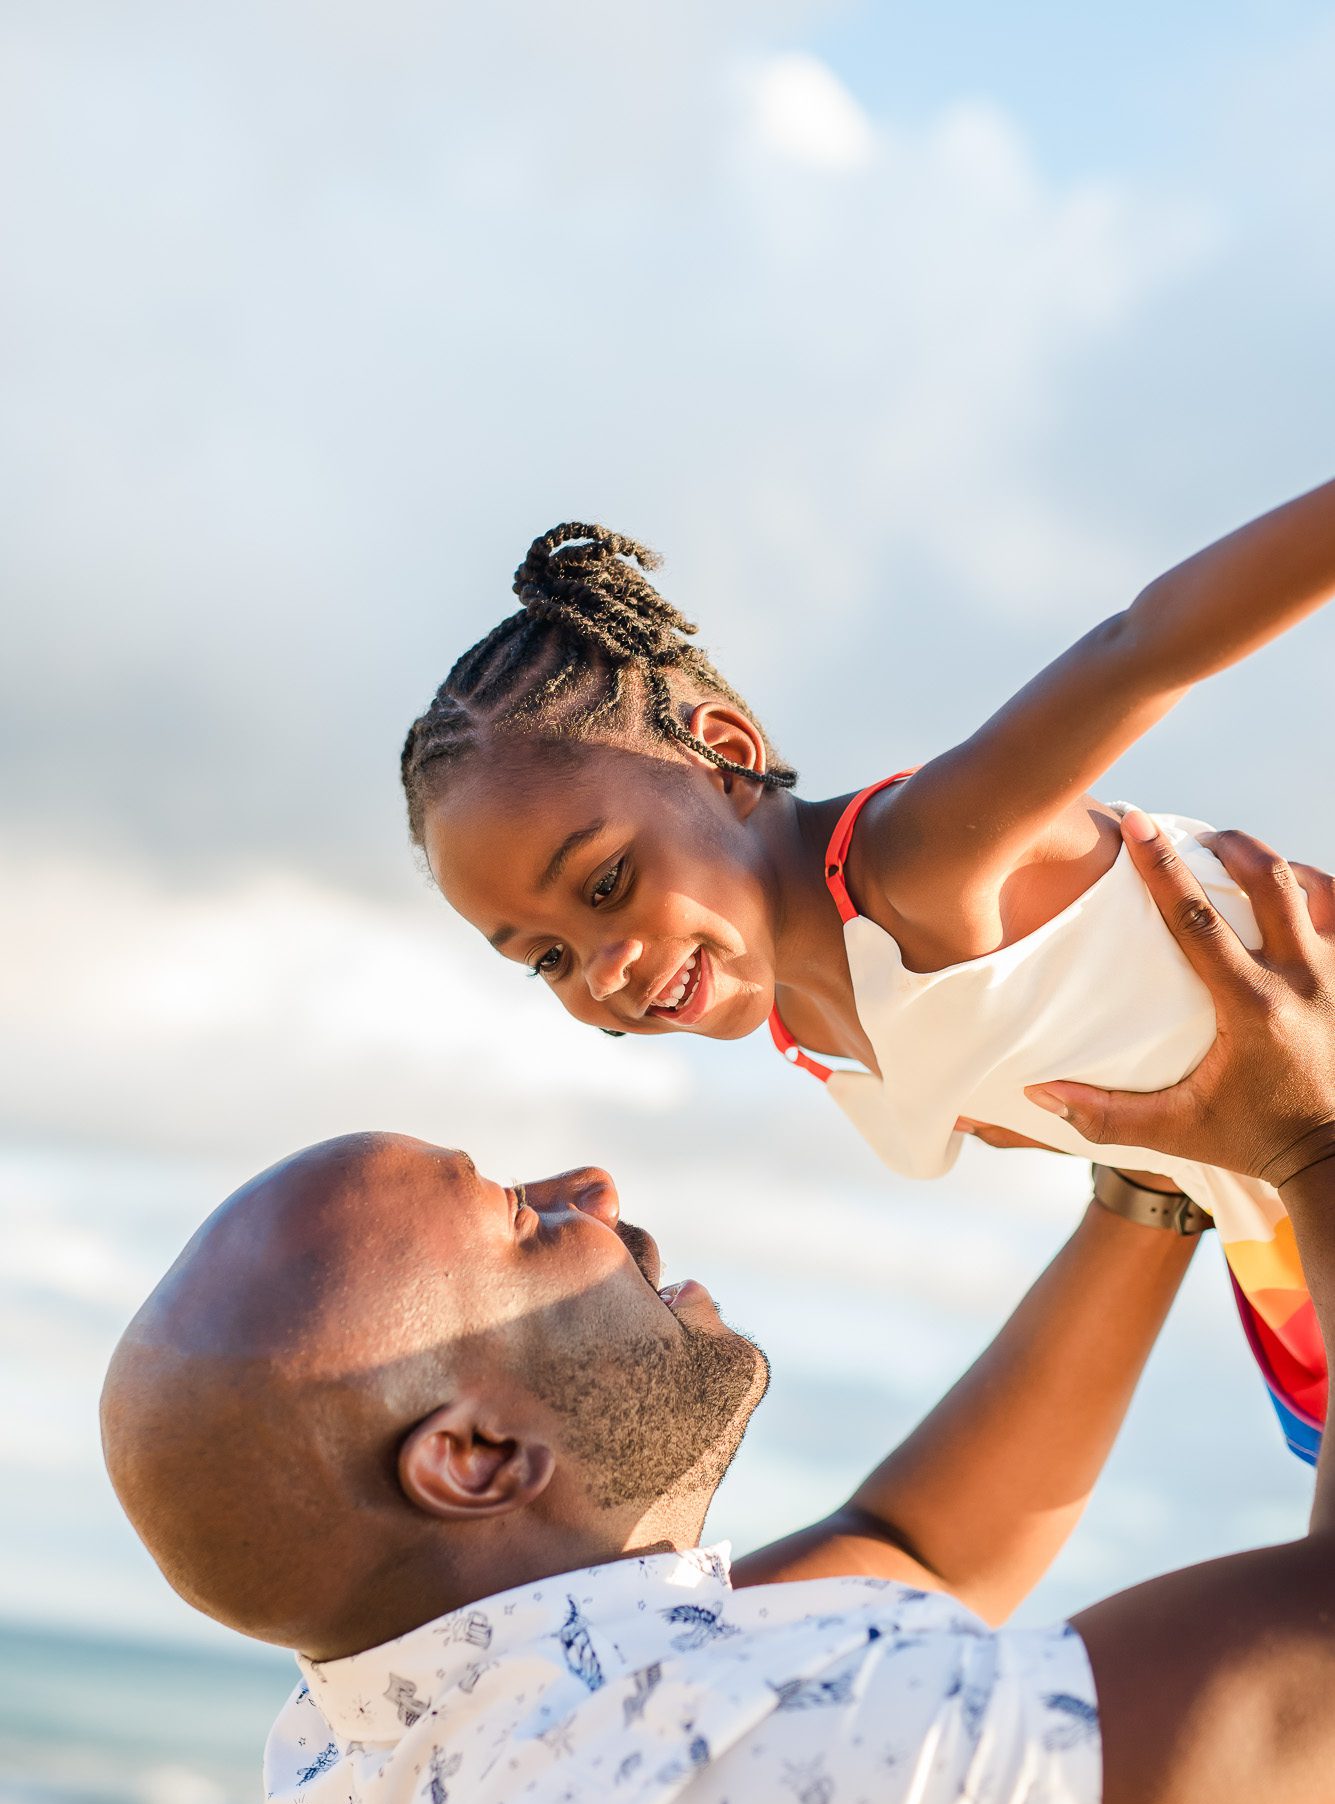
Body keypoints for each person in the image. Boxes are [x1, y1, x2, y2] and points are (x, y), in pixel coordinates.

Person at [102, 818, 1335, 1804]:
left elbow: (918, 1555)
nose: (591, 1182)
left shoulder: (371, 1749)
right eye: (529, 1223)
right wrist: (1313, 1137)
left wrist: (1157, 1172)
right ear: (473, 1456)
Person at [400, 491, 1335, 1463]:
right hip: (1287, 1214)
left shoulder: (916, 861)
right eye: (546, 955)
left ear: (725, 756)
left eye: (607, 881)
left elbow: (1141, 646)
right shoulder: (807, 1022)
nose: (604, 966)